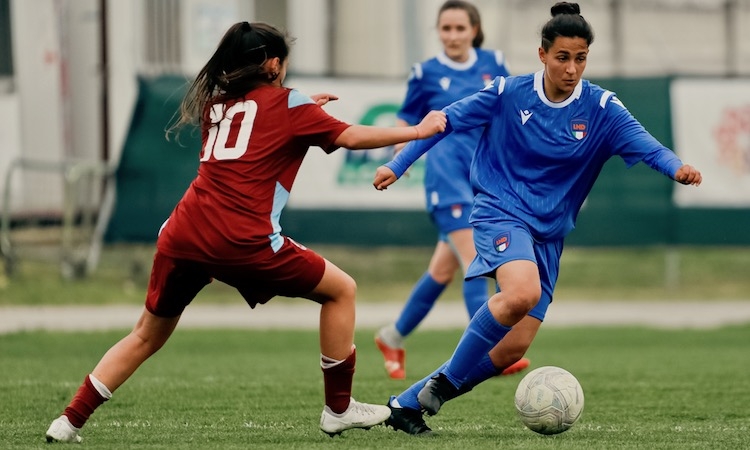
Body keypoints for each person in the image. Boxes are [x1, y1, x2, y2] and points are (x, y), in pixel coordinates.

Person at [44, 21, 446, 444]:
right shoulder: (290, 105)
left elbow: (260, 124)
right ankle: (339, 409)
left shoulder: (215, 106)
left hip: (183, 232)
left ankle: (67, 421)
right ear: (273, 64)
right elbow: (349, 136)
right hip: (240, 238)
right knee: (341, 290)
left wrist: (304, 108)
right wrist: (417, 131)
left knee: (145, 334)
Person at [372, 2, 702, 435]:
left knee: (512, 348)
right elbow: (443, 122)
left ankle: (409, 403)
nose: (571, 68)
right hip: (500, 211)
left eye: (580, 58)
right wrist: (398, 164)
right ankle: (444, 380)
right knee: (520, 292)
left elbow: (648, 146)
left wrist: (676, 167)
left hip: (548, 234)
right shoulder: (508, 93)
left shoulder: (601, 108)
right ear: (543, 54)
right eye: (562, 57)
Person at [374, 0, 529, 381]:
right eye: (446, 29)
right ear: (438, 32)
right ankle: (488, 352)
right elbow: (407, 119)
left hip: (483, 179)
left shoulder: (494, 64)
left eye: (460, 28)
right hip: (445, 180)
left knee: (442, 271)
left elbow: (507, 112)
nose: (453, 35)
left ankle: (391, 337)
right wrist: (401, 155)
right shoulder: (424, 73)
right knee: (477, 264)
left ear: (474, 30)